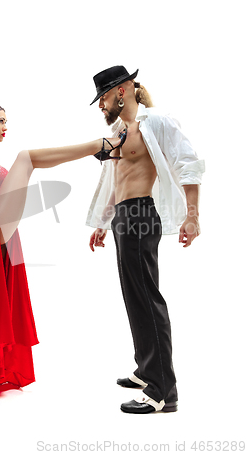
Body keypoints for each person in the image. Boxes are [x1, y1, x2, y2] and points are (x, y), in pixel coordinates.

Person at [0, 100, 126, 394]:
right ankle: (100, 145)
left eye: (6, 121)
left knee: (25, 160)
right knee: (26, 158)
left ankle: (99, 147)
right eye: (1, 121)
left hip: (4, 226)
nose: (6, 127)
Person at [86, 65, 205, 414]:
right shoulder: (121, 133)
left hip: (141, 215)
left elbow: (188, 164)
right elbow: (116, 181)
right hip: (124, 217)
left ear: (121, 91)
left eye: (103, 97)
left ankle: (161, 392)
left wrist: (193, 216)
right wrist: (104, 221)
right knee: (133, 295)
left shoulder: (157, 123)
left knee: (146, 297)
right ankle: (146, 370)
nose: (100, 105)